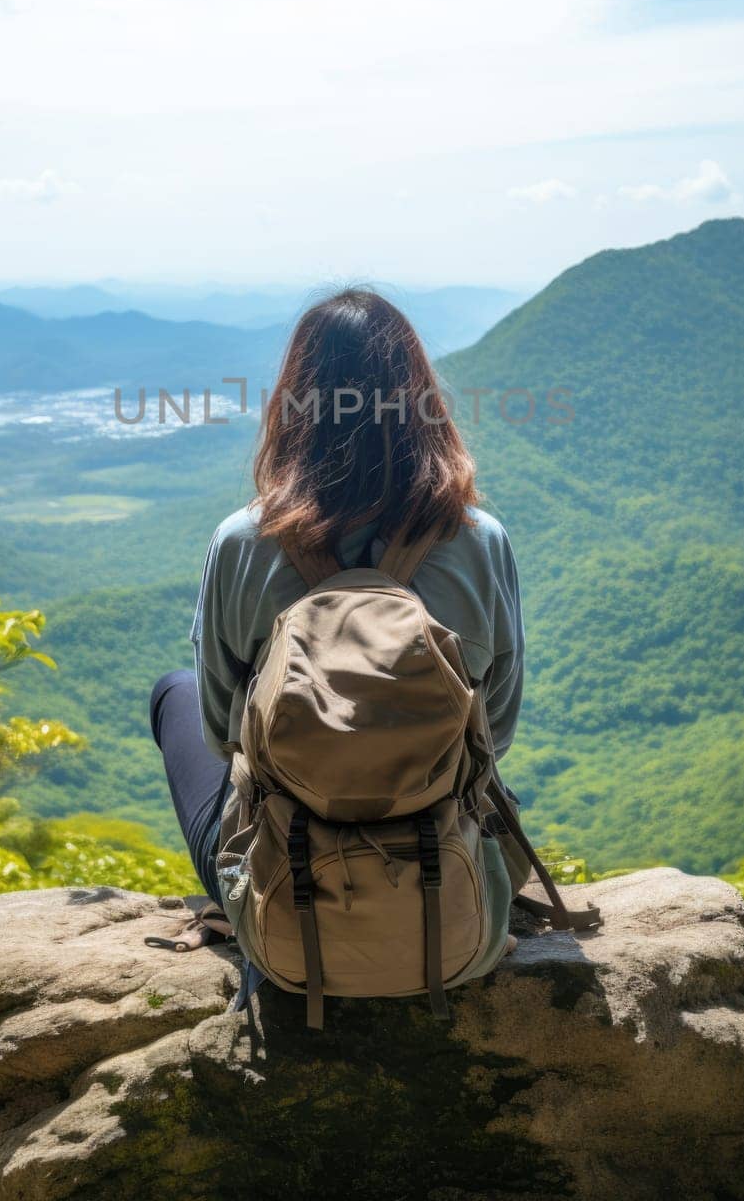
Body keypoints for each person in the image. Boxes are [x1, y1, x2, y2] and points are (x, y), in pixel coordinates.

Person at [148, 287, 525, 956]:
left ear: (294, 400)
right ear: (420, 402)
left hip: (288, 886)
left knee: (173, 691)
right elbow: (493, 729)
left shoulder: (242, 542)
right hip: (444, 881)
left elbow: (217, 734)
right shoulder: (478, 540)